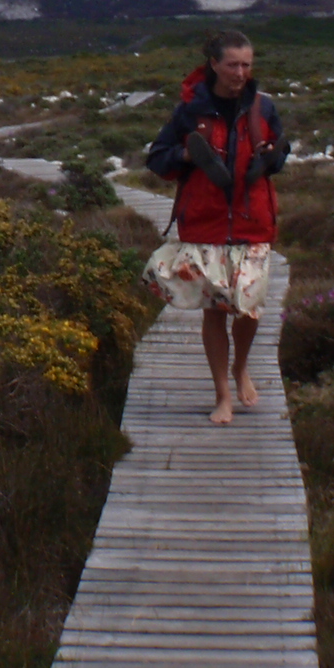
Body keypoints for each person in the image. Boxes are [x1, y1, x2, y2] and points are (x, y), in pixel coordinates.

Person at [142, 29, 288, 424]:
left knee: (249, 308)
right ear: (214, 64)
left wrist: (272, 156)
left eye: (247, 64)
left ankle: (241, 366)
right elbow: (158, 159)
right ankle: (222, 395)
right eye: (232, 64)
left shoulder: (264, 108)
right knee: (215, 311)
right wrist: (188, 155)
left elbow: (281, 153)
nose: (240, 72)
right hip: (205, 223)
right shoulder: (190, 111)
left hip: (253, 220)